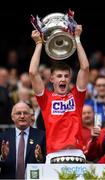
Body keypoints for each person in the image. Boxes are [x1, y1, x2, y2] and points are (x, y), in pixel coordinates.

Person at [29, 21, 89, 163]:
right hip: (53, 154)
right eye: (59, 76)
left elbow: (85, 68)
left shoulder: (77, 96)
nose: (63, 79)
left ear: (70, 79)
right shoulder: (45, 99)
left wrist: (77, 39)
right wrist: (38, 44)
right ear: (51, 79)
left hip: (77, 153)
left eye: (66, 76)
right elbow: (32, 72)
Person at [0, 101, 46, 179]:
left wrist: (40, 158)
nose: (22, 116)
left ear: (30, 116)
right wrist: (2, 157)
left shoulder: (41, 136)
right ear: (12, 117)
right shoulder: (3, 137)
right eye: (18, 113)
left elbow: (48, 163)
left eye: (25, 113)